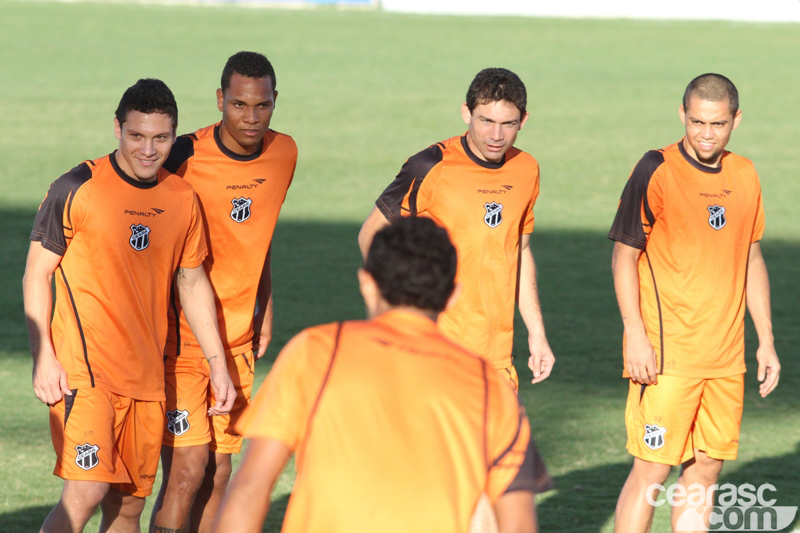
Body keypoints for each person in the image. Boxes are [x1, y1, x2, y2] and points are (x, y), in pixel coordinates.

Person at [212, 217, 552, 533]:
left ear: (367, 284)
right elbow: (518, 520)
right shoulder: (490, 384)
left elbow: (252, 485)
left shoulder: (314, 352)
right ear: (453, 296)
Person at [22, 78, 235, 533]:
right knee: (86, 493)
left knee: (129, 509)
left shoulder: (182, 199)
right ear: (117, 128)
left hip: (146, 380)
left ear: (174, 136)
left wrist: (218, 365)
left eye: (160, 138)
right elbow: (36, 273)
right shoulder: (77, 186)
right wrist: (44, 358)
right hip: (86, 373)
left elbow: (192, 284)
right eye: (136, 135)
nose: (147, 149)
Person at [609, 73, 781, 533]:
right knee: (651, 472)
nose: (706, 133)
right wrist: (636, 337)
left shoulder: (745, 173)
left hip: (726, 360)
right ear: (682, 115)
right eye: (697, 122)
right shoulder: (656, 168)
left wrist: (765, 340)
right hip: (668, 359)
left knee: (706, 470)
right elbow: (624, 256)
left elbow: (751, 257)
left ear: (736, 121)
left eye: (718, 124)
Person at [150, 51, 297, 533]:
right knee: (187, 471)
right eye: (238, 105)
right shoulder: (182, 154)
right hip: (182, 339)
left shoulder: (284, 153)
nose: (250, 117)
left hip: (238, 339)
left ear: (275, 102)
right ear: (219, 100)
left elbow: (262, 230)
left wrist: (266, 304)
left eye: (262, 106)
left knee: (219, 472)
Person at [358, 67, 554, 391]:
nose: (496, 135)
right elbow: (371, 236)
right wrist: (399, 311)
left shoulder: (526, 169)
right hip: (436, 355)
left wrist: (536, 331)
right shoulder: (430, 165)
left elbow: (519, 251)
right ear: (466, 113)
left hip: (499, 362)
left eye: (508, 124)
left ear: (524, 120)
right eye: (485, 121)